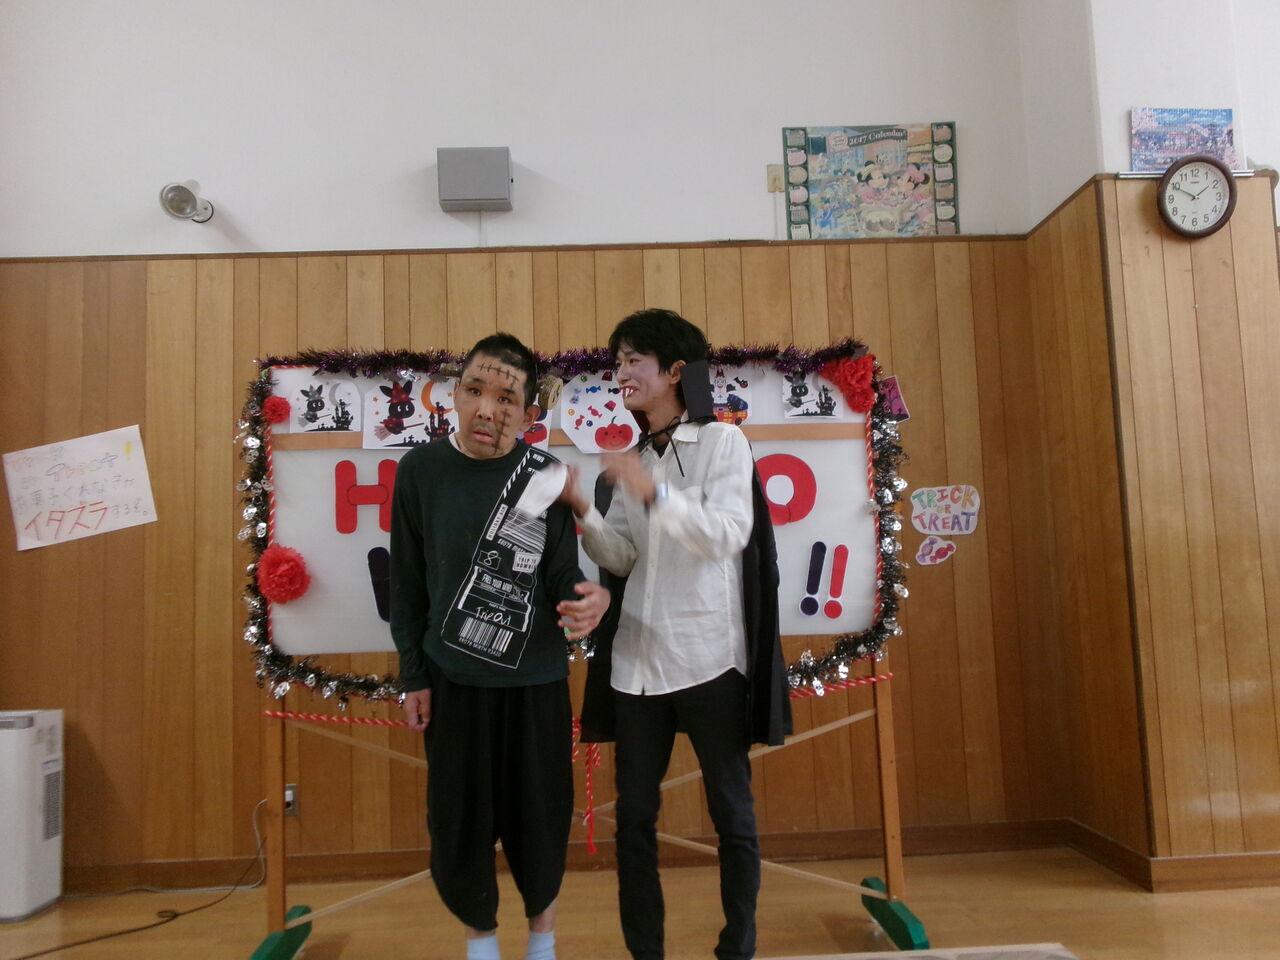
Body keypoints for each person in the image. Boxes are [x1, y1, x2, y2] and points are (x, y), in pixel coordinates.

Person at [559, 309, 791, 960]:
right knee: (633, 820)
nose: (621, 373)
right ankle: (647, 953)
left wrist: (653, 493)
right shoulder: (636, 458)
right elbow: (623, 557)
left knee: (731, 814)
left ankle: (736, 948)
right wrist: (583, 510)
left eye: (634, 360)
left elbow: (725, 535)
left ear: (675, 371)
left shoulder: (724, 443)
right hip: (637, 663)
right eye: (618, 361)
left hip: (711, 657)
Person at [390, 333, 610, 960]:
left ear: (529, 413)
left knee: (541, 820)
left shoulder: (545, 476)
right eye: (475, 391)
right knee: (460, 823)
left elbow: (560, 572)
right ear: (455, 397)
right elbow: (407, 583)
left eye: (507, 399)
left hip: (536, 681)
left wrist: (587, 597)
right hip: (452, 679)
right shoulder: (420, 471)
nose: (488, 409)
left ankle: (543, 945)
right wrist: (414, 674)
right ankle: (481, 947)